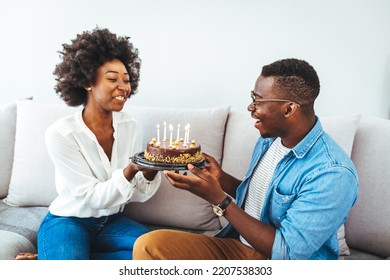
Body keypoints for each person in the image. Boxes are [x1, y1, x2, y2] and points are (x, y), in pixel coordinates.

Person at [133, 58, 359, 260]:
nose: (251, 107)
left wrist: (220, 201)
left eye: (258, 100)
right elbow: (262, 203)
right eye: (253, 98)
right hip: (239, 247)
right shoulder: (269, 140)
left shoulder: (333, 173)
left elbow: (287, 253)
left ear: (289, 109)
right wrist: (220, 179)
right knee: (148, 246)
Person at [36, 28, 161, 260]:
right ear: (87, 82)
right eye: (112, 79)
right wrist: (131, 168)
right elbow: (91, 197)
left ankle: (55, 256)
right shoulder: (61, 134)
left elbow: (137, 193)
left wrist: (151, 171)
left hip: (112, 222)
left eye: (126, 80)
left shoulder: (130, 125)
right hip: (68, 221)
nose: (124, 87)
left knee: (161, 253)